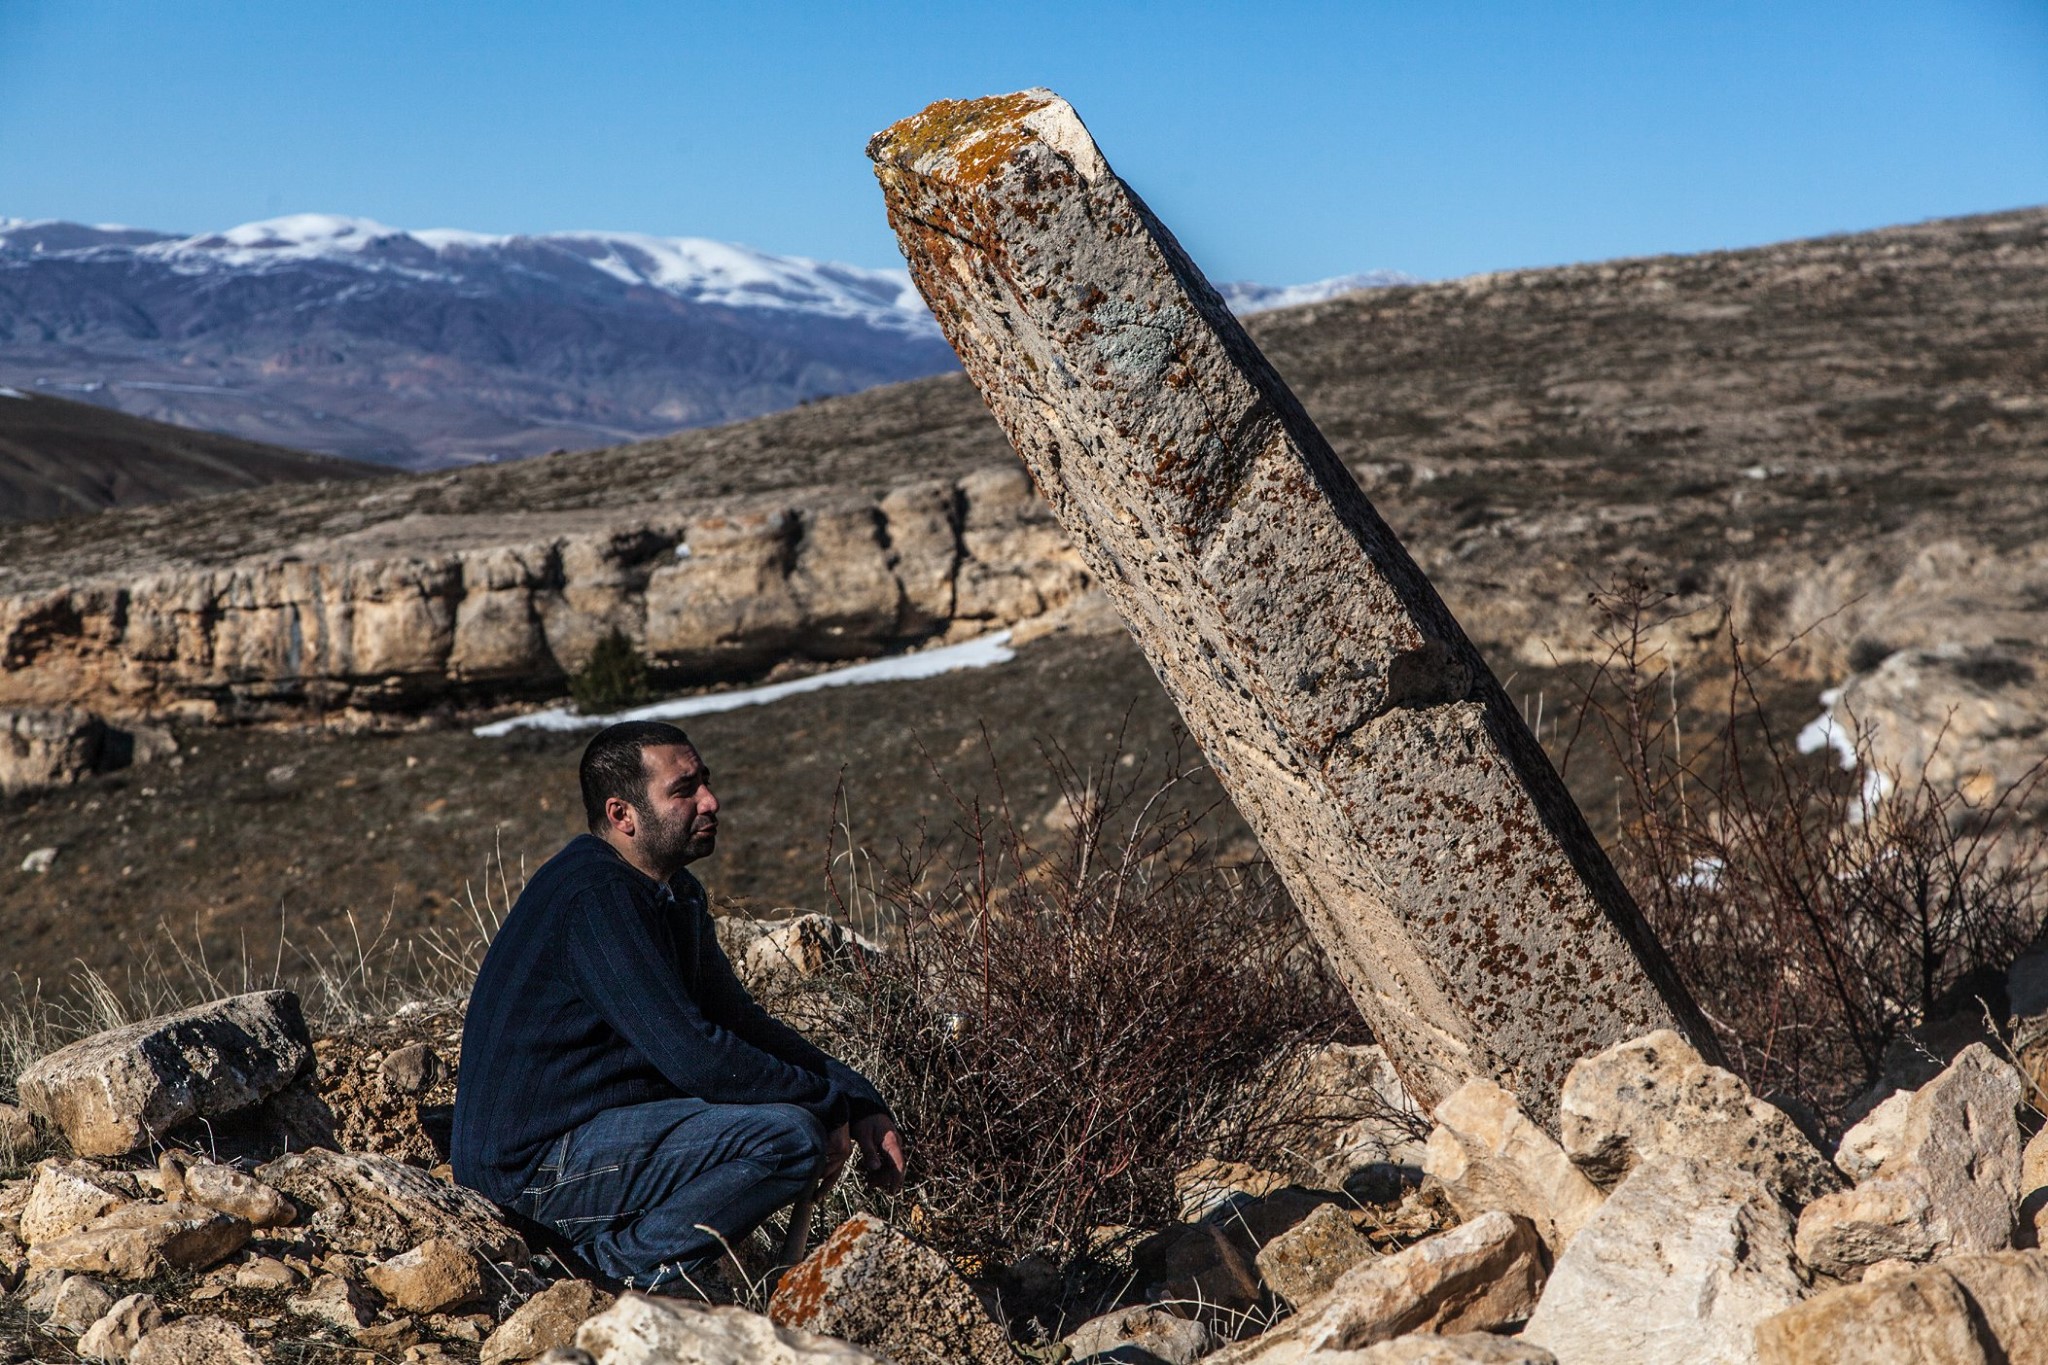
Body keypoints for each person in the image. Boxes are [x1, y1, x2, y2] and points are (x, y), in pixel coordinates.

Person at [451, 720, 904, 1293]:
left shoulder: (672, 891)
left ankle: (622, 1258)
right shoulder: (596, 897)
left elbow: (737, 1021)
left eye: (705, 783)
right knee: (786, 1136)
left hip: (592, 1136)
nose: (710, 802)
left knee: (794, 1119)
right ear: (623, 815)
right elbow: (698, 1058)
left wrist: (857, 1097)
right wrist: (827, 1103)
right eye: (683, 790)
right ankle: (616, 1269)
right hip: (528, 1173)